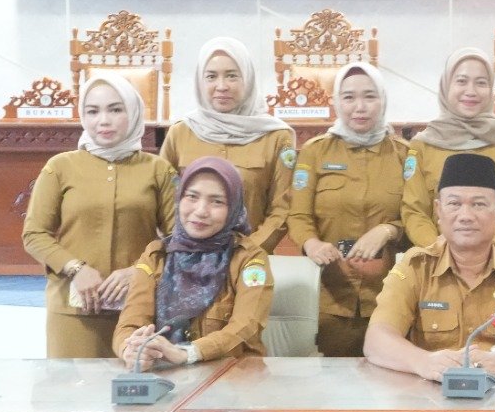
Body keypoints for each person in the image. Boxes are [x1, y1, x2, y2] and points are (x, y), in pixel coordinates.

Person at [366, 152, 495, 382]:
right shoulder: (416, 267)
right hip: (432, 393)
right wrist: (423, 361)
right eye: (454, 204)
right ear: (438, 211)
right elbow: (377, 339)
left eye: (478, 204)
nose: (465, 216)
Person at [22, 73, 176, 358]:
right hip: (73, 308)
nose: (103, 121)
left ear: (133, 112)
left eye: (115, 110)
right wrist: (76, 268)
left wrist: (139, 271)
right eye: (93, 111)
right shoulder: (60, 167)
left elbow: (178, 239)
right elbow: (34, 234)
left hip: (138, 307)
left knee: (137, 383)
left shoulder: (158, 169)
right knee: (71, 385)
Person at [288, 62, 408, 356]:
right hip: (330, 294)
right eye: (349, 97)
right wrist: (311, 243)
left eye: (370, 96)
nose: (360, 107)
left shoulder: (405, 155)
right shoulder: (315, 152)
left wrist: (388, 230)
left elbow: (417, 217)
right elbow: (299, 215)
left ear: (383, 100)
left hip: (389, 294)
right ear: (336, 102)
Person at [115, 157, 273, 367]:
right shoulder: (156, 255)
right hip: (166, 374)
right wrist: (131, 349)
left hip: (234, 374)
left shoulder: (248, 258)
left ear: (234, 208)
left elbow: (246, 324)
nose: (201, 211)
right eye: (192, 197)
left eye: (217, 201)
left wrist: (187, 352)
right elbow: (131, 322)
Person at [161, 37, 295, 254]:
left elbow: (282, 209)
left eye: (232, 76)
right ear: (200, 81)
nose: (222, 86)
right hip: (186, 258)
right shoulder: (180, 132)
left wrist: (246, 251)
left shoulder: (277, 137)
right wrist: (186, 245)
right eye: (211, 76)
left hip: (249, 260)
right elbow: (164, 200)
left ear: (248, 79)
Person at [401, 48, 495, 249]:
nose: (471, 91)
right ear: (446, 86)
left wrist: (477, 249)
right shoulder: (422, 146)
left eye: (481, 83)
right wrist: (439, 250)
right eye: (461, 81)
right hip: (436, 259)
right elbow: (414, 210)